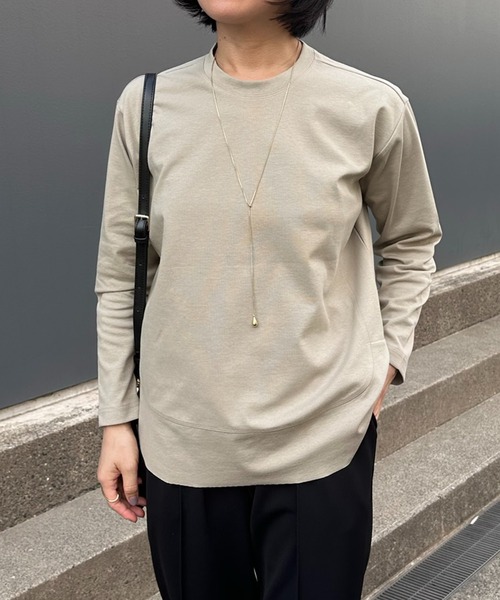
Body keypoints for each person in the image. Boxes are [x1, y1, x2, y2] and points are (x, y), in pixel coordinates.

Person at [95, 1, 441, 598]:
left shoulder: (371, 106)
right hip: (183, 440)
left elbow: (412, 239)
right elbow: (122, 272)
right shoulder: (147, 106)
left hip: (324, 437)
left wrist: (384, 363)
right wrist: (117, 417)